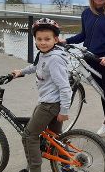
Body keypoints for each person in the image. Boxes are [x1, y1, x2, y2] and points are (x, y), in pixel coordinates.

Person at [62, 0, 105, 151]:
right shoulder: (87, 13)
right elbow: (84, 35)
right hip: (91, 58)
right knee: (100, 92)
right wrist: (66, 41)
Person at [12, 18, 73, 172]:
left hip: (50, 105)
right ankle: (66, 166)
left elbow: (65, 87)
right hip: (52, 103)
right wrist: (21, 72)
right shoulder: (45, 54)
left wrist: (64, 110)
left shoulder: (54, 59)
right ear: (35, 39)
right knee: (54, 137)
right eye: (39, 39)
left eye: (47, 39)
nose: (43, 42)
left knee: (29, 136)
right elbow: (35, 66)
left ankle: (34, 169)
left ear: (56, 39)